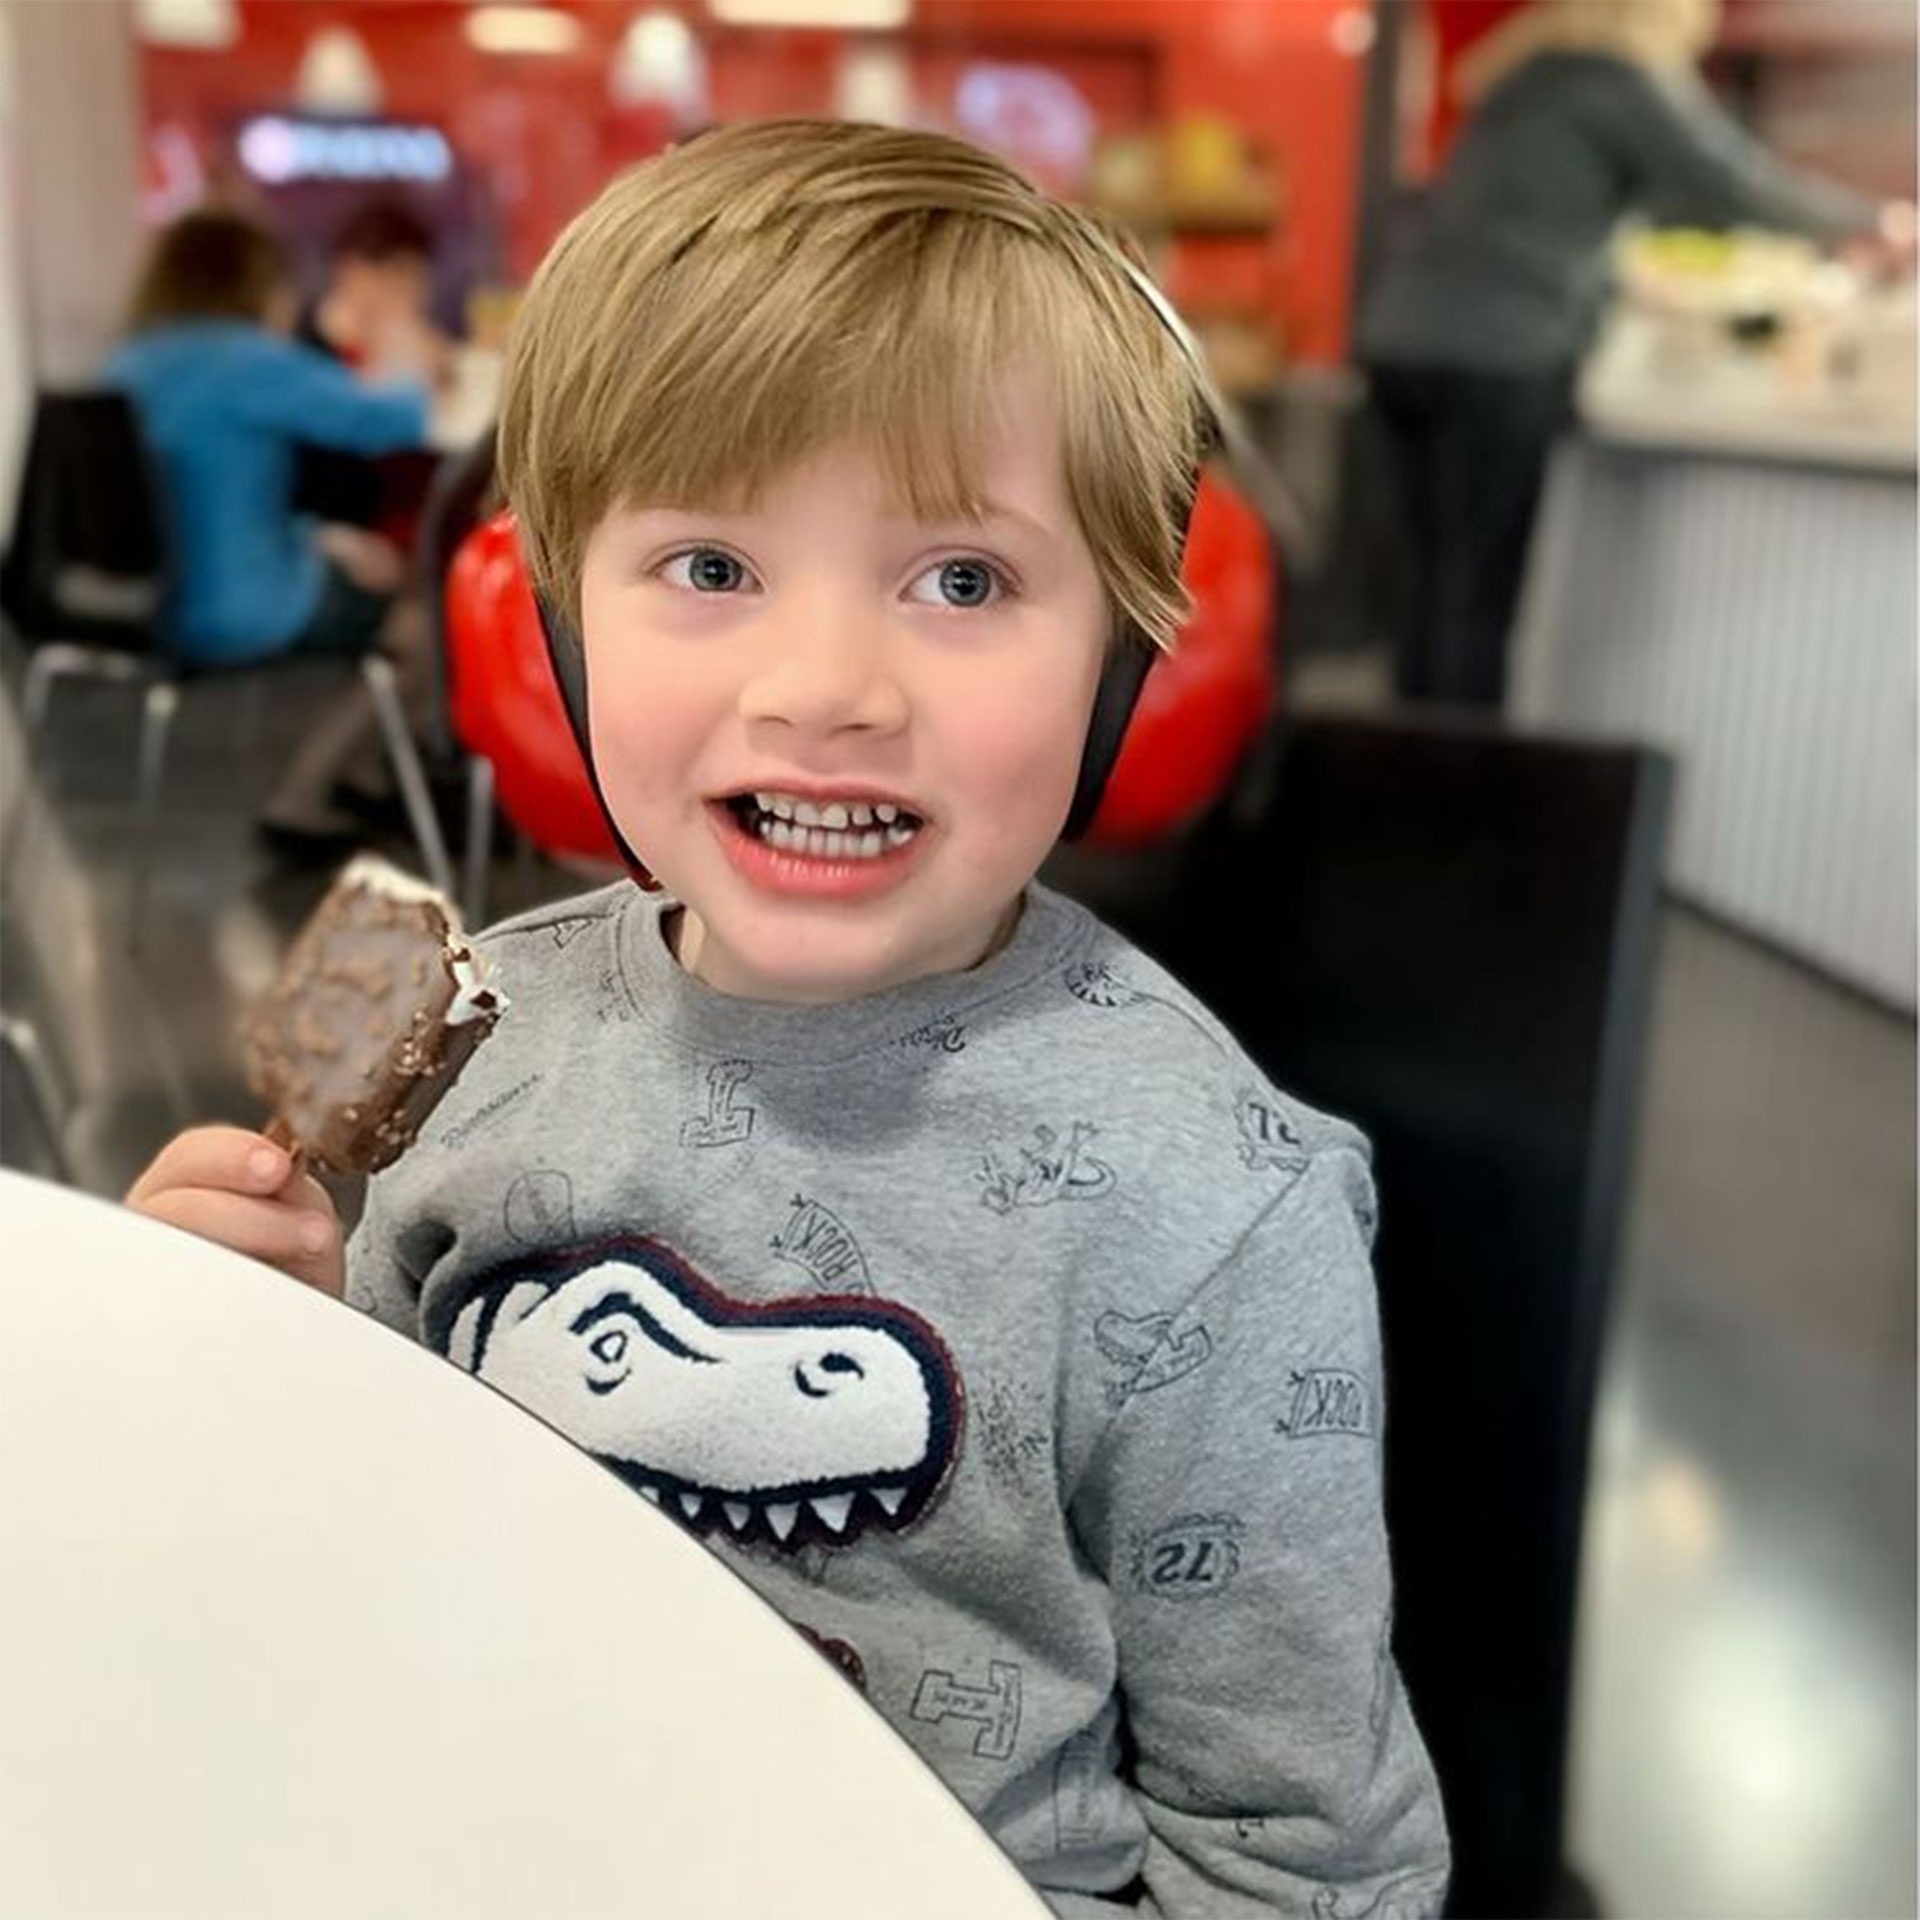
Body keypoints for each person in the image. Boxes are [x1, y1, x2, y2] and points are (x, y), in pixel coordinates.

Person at [124, 121, 1451, 1918]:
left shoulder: (1217, 1213)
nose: (825, 690)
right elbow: (404, 1527)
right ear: (567, 636)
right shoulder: (484, 1025)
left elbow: (1302, 1861)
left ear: (1124, 668)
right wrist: (299, 1350)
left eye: (963, 582)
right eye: (712, 569)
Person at [1355, 0, 1910, 710]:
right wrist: (1876, 224)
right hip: (1501, 355)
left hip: (1401, 340)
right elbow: (1731, 182)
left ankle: (1403, 774)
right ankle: (1462, 794)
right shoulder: (1620, 80)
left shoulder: (1522, 75)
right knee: (1477, 600)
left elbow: (1528, 220)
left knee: (1424, 589)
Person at [105, 208, 434, 845]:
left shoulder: (132, 362)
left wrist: (319, 532)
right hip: (247, 609)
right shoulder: (244, 360)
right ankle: (304, 795)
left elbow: (206, 498)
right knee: (431, 634)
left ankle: (363, 775)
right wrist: (403, 333)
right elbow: (392, 419)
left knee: (383, 587)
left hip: (151, 604)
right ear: (254, 283)